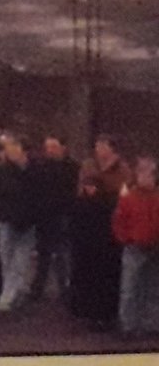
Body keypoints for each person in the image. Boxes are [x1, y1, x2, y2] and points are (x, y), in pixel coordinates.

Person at [72, 136, 133, 331]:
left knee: (108, 270)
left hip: (109, 223)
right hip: (88, 223)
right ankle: (88, 311)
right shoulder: (88, 165)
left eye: (103, 146)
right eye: (97, 146)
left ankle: (107, 312)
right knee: (88, 269)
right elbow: (80, 189)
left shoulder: (122, 169)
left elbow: (123, 195)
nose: (99, 149)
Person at [0, 135, 43, 312]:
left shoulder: (36, 171)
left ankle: (7, 297)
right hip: (7, 220)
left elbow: (40, 196)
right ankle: (15, 291)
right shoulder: (1, 171)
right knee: (7, 258)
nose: (8, 151)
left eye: (11, 147)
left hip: (28, 221)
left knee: (20, 260)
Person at [114, 155, 159, 337]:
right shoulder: (128, 198)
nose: (146, 177)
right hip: (134, 247)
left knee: (153, 288)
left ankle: (152, 324)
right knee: (130, 288)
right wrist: (126, 239)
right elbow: (118, 222)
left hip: (155, 248)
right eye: (143, 172)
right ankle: (128, 325)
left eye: (150, 173)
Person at [33, 137, 81, 302]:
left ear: (63, 147)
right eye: (48, 147)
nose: (50, 151)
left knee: (62, 254)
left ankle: (65, 288)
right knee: (43, 254)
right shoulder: (41, 167)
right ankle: (38, 287)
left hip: (63, 215)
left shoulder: (72, 168)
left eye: (54, 147)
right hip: (44, 216)